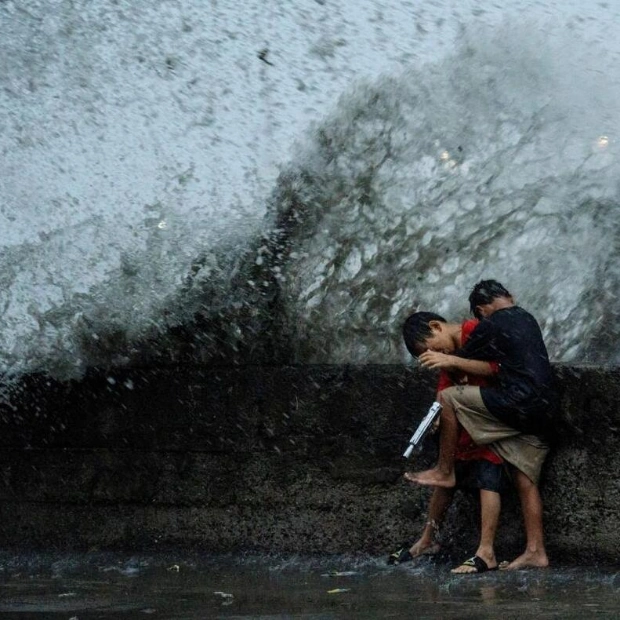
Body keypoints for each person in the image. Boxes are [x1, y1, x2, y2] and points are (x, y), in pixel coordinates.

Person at [407, 280, 558, 570]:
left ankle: (444, 469)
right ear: (510, 297)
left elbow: (473, 364)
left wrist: (449, 360)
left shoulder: (486, 326)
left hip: (515, 404)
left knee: (449, 398)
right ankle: (536, 551)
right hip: (543, 409)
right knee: (524, 478)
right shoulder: (526, 317)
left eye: (430, 349)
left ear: (481, 310)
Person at [389, 312, 504, 574]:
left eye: (432, 349)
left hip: (493, 415)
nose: (436, 356)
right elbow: (445, 388)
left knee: (489, 472)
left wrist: (451, 359)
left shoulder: (475, 331)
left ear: (436, 326)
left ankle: (486, 551)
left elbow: (496, 367)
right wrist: (438, 417)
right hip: (466, 421)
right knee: (446, 473)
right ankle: (427, 540)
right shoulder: (446, 356)